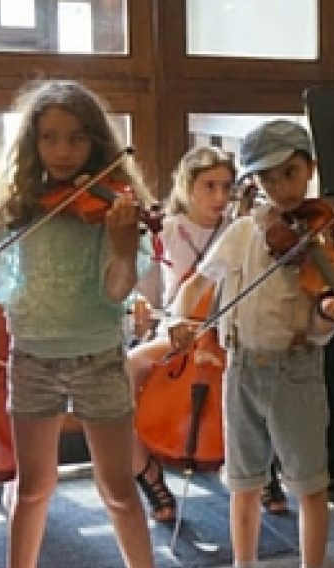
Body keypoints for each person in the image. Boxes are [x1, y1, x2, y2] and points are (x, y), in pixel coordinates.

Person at [0, 80, 163, 568]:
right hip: (31, 357)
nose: (62, 152)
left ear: (95, 143)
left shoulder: (112, 208)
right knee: (31, 487)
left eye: (75, 139)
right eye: (49, 138)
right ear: (33, 143)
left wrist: (122, 246)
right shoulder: (16, 206)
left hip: (98, 356)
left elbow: (114, 293)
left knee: (117, 488)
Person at [166, 120, 334, 568]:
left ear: (309, 169)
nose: (280, 188)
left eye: (289, 173)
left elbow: (316, 329)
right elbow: (196, 285)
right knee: (244, 479)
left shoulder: (326, 240)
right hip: (242, 367)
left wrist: (330, 316)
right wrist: (176, 320)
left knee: (309, 481)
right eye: (266, 179)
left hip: (296, 369)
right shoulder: (243, 231)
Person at [126, 145, 235, 524]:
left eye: (226, 187)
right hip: (178, 336)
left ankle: (258, 464)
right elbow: (146, 288)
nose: (220, 197)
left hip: (228, 335)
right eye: (209, 186)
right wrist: (140, 305)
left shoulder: (239, 229)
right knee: (125, 369)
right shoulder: (166, 231)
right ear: (187, 187)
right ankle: (147, 473)